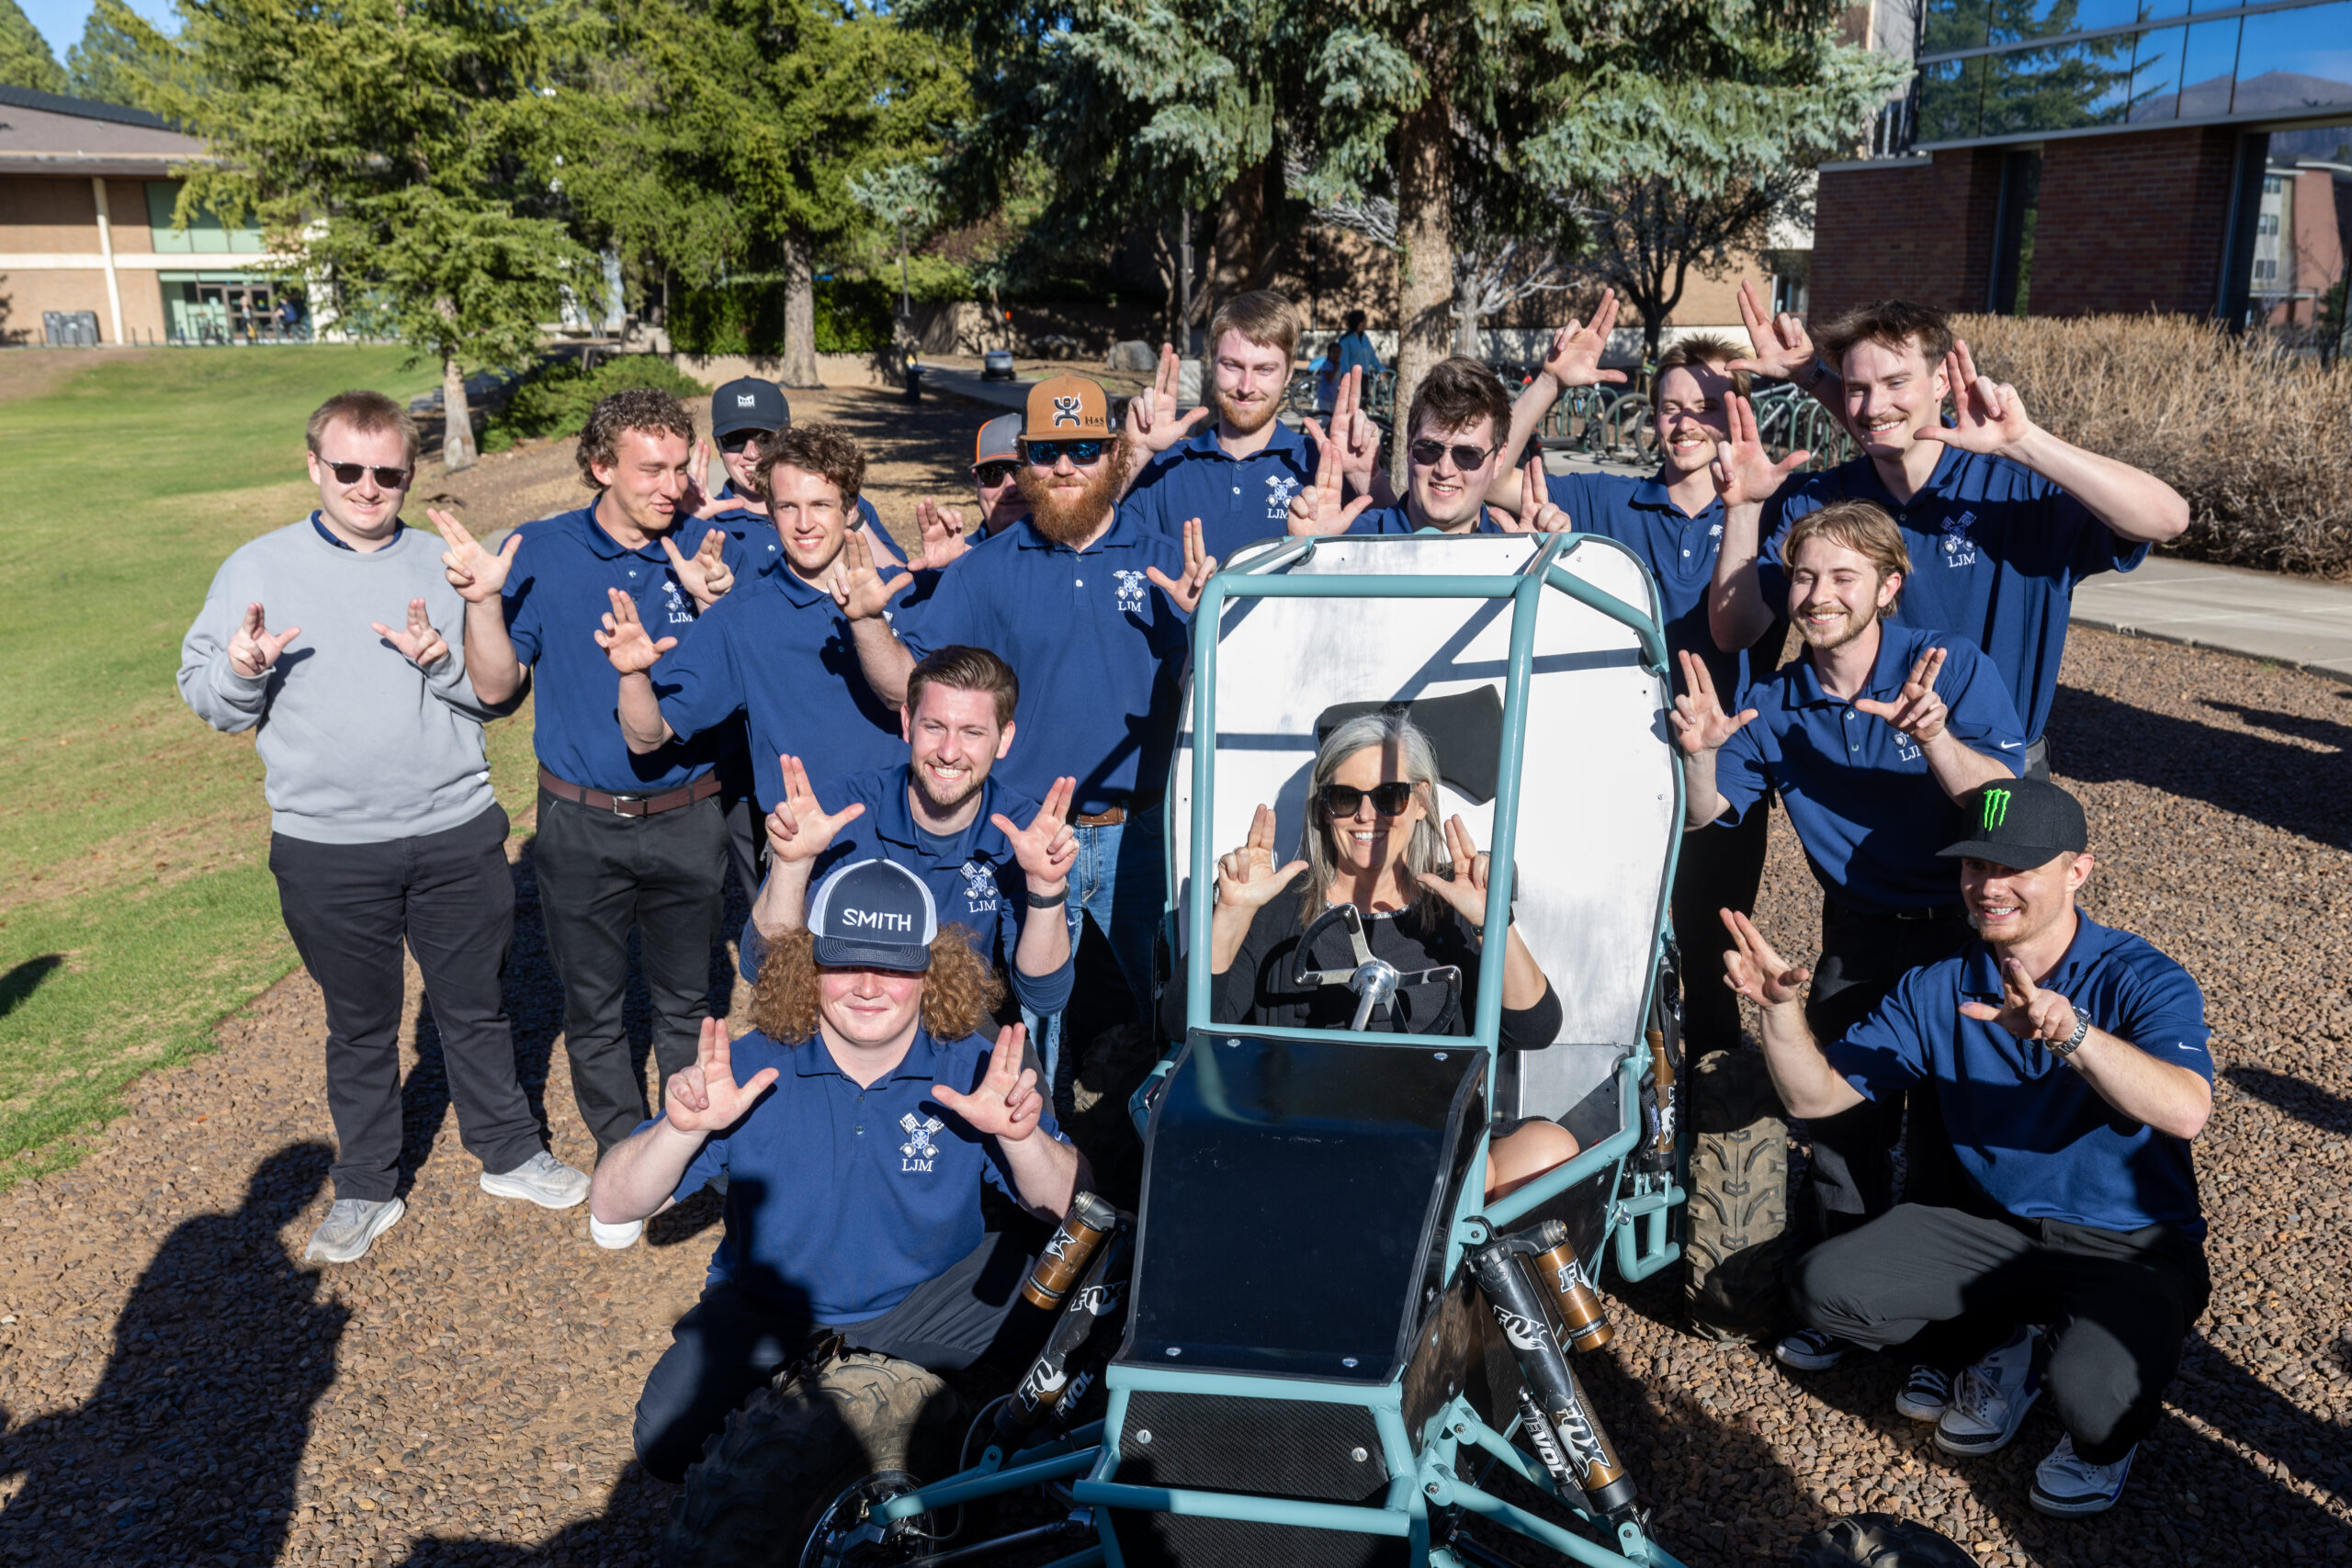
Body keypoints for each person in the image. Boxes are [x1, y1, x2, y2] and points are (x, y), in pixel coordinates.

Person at [177, 390, 586, 1264]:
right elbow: (209, 699)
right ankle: (366, 1183)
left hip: (453, 829)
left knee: (475, 1007)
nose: (369, 486)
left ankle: (508, 1151)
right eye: (350, 468)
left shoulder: (446, 563)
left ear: (408, 473)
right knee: (360, 1025)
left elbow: (494, 695)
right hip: (326, 846)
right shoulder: (256, 566)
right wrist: (244, 671)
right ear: (315, 466)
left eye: (388, 471)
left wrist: (459, 633)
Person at [1729, 778, 2212, 1517]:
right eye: (1975, 865)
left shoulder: (2139, 976)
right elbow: (1815, 1097)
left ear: (2076, 871)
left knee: (2098, 1409)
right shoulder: (1940, 985)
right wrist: (1779, 1014)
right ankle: (2007, 1342)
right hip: (1996, 1229)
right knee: (1825, 1286)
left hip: (2130, 1243)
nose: (1988, 886)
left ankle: (2101, 1425)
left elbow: (2186, 1109)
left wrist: (2073, 1035)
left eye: (2013, 867)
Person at [1671, 499, 2028, 1374]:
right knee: (1843, 1120)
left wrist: (1936, 736)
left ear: (1888, 587)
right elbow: (1714, 817)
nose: (1819, 595)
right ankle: (1845, 1296)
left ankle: (1955, 1323)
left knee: (1955, 1122)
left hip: (1963, 927)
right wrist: (1701, 757)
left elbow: (2006, 803)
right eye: (1804, 576)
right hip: (1858, 928)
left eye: (1842, 577)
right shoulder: (1775, 699)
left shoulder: (1950, 668)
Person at [592, 857, 1084, 1483]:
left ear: (930, 970)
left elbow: (1078, 1206)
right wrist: (680, 1129)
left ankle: (954, 1424)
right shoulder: (750, 1064)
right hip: (776, 1310)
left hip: (929, 1296)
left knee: (1085, 1312)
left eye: (893, 964)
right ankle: (849, 1399)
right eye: (846, 961)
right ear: (809, 965)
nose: (869, 985)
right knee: (665, 1441)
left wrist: (1020, 1141)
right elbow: (610, 1203)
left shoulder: (975, 1062)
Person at [433, 389, 745, 1223]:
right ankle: (623, 1154)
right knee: (595, 1008)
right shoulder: (543, 549)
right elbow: (497, 689)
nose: (672, 486)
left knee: (686, 1002)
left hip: (689, 813)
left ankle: (691, 1154)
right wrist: (482, 601)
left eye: (683, 467)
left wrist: (721, 602)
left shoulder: (708, 548)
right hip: (579, 822)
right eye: (652, 469)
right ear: (601, 466)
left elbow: (748, 670)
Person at [831, 376, 1217, 1040]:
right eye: (1046, 452)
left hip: (1147, 831)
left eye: (1085, 448)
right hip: (1029, 830)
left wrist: (1200, 633)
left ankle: (1151, 1139)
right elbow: (911, 688)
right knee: (1034, 1027)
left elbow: (1212, 702)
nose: (1065, 467)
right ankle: (1041, 1133)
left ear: (1115, 454)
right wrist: (868, 623)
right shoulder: (982, 571)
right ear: (1025, 461)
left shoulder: (1170, 563)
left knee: (1173, 1014)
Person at [1487, 310, 1805, 1066]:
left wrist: (1747, 498)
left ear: (1738, 415)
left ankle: (1713, 1139)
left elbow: (1736, 629)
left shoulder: (1775, 513)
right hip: (1613, 764)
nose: (1685, 422)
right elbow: (1487, 473)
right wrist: (1550, 385)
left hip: (1724, 777)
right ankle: (1610, 1101)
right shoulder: (1608, 501)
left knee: (1710, 956)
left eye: (1706, 406)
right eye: (1670, 407)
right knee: (1606, 943)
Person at [1710, 294, 2189, 775]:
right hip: (1869, 773)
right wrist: (1746, 509)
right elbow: (1736, 633)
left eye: (1897, 381)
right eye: (1857, 388)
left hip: (1999, 771)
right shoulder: (1822, 501)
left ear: (1941, 380)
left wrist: (2024, 442)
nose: (1874, 405)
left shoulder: (2015, 490)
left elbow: (2168, 519)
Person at [1164, 712, 1578, 1198]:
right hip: (1302, 1141)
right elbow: (1183, 1025)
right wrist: (1231, 914)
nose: (1367, 816)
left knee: (1547, 1149)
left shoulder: (1452, 899)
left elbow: (1536, 1027)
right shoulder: (1279, 907)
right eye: (1345, 798)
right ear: (1323, 810)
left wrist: (1492, 921)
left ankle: (1468, 1273)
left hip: (1433, 1143)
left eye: (1389, 797)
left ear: (1420, 801)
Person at [742, 646, 1079, 1070]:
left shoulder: (1025, 833)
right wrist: (791, 866)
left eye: (972, 732)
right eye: (934, 727)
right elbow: (763, 971)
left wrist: (1046, 889)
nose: (950, 752)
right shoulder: (838, 814)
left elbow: (1043, 996)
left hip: (957, 1027)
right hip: (845, 1027)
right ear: (907, 723)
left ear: (1004, 738)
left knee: (1028, 1112)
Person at [609, 421, 910, 825]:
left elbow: (916, 697)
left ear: (851, 508)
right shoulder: (739, 617)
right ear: (770, 512)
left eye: (820, 504)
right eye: (788, 507)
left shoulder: (903, 593)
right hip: (807, 844)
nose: (804, 524)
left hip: (911, 836)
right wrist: (633, 677)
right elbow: (647, 737)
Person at [1119, 289, 1325, 563]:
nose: (1246, 387)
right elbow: (1080, 535)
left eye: (1265, 370)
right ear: (1213, 365)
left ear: (1288, 374)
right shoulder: (1164, 467)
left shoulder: (1321, 465)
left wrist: (1365, 477)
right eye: (1232, 366)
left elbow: (1396, 540)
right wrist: (1138, 452)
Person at [1287, 355, 1523, 538]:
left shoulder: (1518, 549)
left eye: (1468, 455)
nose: (1445, 469)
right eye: (1429, 449)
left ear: (1498, 460)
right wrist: (1309, 555)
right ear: (1409, 446)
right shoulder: (1345, 539)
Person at [1332, 310, 1383, 381]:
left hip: (1365, 377)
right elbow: (1344, 361)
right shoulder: (1346, 340)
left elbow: (1372, 356)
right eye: (1365, 320)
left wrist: (1381, 370)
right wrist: (1347, 378)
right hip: (1352, 378)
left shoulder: (1365, 338)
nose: (1366, 322)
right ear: (1360, 322)